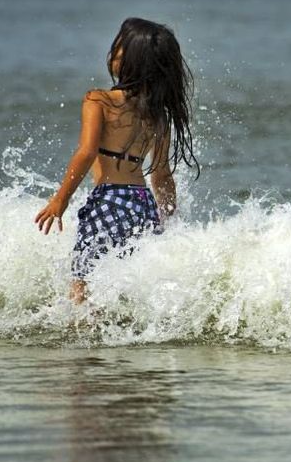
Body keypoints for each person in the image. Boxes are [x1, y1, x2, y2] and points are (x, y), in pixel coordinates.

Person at [35, 18, 199, 303]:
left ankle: (85, 335)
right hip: (142, 203)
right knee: (122, 278)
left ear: (129, 63)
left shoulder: (98, 100)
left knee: (83, 280)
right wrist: (169, 220)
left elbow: (86, 153)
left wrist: (60, 200)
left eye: (119, 52)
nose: (112, 56)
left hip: (108, 199)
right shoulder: (158, 115)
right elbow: (161, 174)